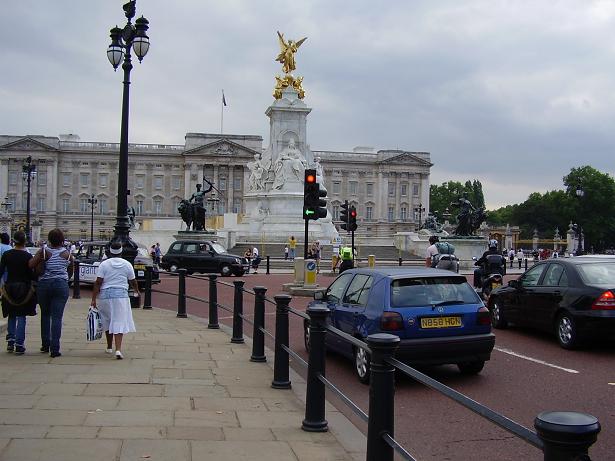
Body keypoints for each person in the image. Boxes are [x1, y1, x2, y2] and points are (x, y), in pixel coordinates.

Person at [90, 242, 138, 360]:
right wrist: (137, 290)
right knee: (119, 321)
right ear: (121, 251)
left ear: (110, 252)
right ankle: (118, 349)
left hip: (105, 295)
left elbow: (98, 282)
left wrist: (93, 299)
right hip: (121, 295)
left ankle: (109, 347)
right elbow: (133, 280)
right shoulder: (127, 264)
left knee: (107, 320)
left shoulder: (104, 264)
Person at [31, 228, 74, 358]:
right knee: (57, 317)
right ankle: (55, 348)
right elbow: (70, 272)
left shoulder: (43, 251)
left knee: (45, 314)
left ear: (49, 239)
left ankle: (45, 344)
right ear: (62, 240)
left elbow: (31, 264)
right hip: (61, 285)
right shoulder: (68, 254)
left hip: (44, 284)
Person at [0, 231, 37, 354]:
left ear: (13, 241)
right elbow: (31, 274)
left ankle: (11, 341)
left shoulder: (7, 254)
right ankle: (19, 344)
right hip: (23, 287)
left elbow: (1, 271)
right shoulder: (27, 256)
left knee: (11, 314)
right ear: (24, 241)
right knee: (21, 316)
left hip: (10, 286)